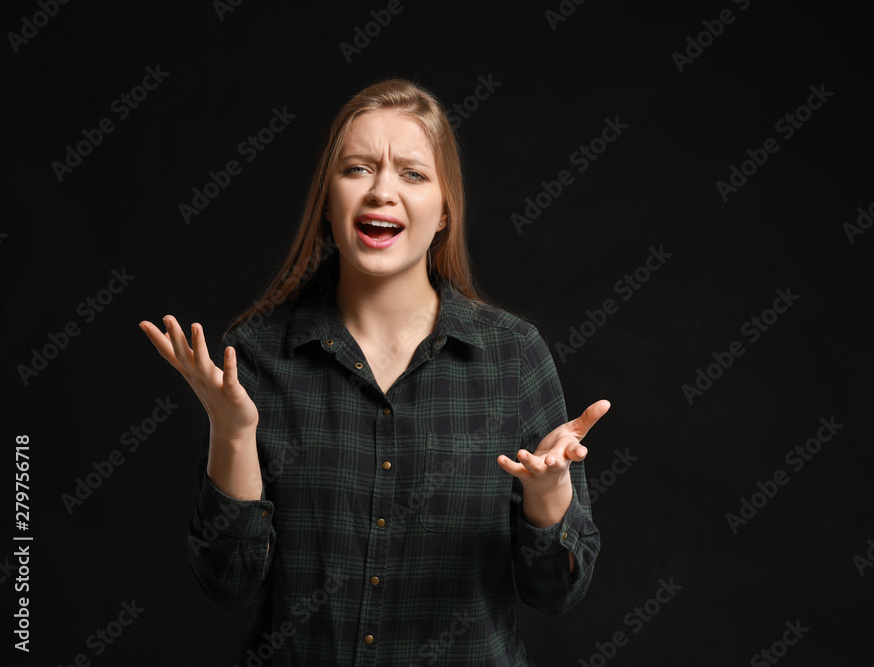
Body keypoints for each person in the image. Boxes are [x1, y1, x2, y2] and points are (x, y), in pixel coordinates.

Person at [139, 78, 609, 666]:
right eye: (358, 168)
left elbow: (557, 593)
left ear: (444, 212)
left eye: (412, 173)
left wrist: (548, 496)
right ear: (328, 204)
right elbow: (227, 584)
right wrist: (232, 434)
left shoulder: (514, 356)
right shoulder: (254, 355)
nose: (381, 190)